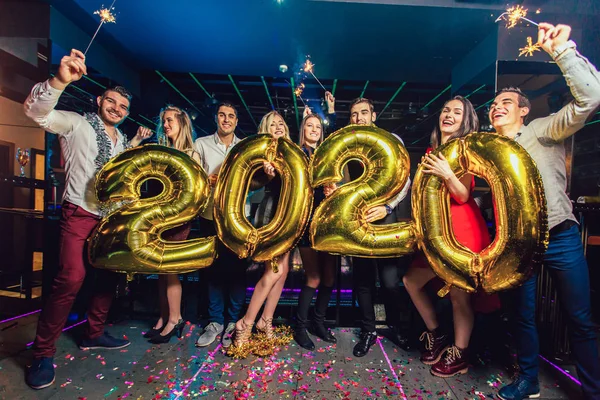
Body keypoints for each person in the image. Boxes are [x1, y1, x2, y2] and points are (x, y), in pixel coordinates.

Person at [23, 49, 152, 389]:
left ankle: (93, 333)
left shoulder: (120, 138)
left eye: (123, 107)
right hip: (79, 213)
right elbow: (38, 114)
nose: (117, 110)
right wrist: (60, 81)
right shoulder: (76, 123)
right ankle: (42, 353)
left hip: (109, 220)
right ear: (99, 100)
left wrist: (135, 144)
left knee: (107, 277)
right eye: (112, 103)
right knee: (70, 279)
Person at [491, 23, 600, 400]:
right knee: (521, 314)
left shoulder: (542, 130)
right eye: (493, 105)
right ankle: (528, 381)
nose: (496, 108)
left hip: (560, 234)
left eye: (506, 103)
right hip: (519, 243)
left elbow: (591, 98)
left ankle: (593, 390)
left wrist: (562, 51)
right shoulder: (491, 152)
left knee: (580, 318)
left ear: (523, 111)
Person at [402, 96, 498, 378]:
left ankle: (460, 352)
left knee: (459, 295)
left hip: (461, 230)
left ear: (465, 121)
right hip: (437, 230)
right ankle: (437, 334)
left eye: (457, 112)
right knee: (411, 280)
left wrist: (446, 173)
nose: (449, 115)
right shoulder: (435, 149)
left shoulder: (463, 150)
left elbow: (462, 194)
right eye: (446, 110)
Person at [327, 98, 411, 357]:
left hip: (385, 218)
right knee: (362, 282)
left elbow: (405, 178)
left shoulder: (391, 138)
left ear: (373, 115)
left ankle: (396, 327)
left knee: (389, 282)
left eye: (364, 113)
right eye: (354, 114)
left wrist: (388, 207)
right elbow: (343, 179)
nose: (359, 118)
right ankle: (368, 330)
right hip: (359, 220)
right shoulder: (349, 145)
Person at [231, 111, 292, 350]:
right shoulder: (264, 152)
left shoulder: (290, 149)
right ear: (265, 128)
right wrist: (266, 172)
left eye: (281, 123)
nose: (278, 126)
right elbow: (255, 180)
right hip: (272, 212)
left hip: (290, 213)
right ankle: (245, 324)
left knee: (283, 271)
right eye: (272, 124)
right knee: (273, 270)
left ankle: (265, 321)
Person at [143, 106, 201, 344]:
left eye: (169, 120)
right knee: (160, 269)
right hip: (159, 218)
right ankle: (163, 315)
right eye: (163, 121)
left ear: (181, 123)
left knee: (170, 268)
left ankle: (175, 319)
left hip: (178, 220)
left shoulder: (191, 153)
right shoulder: (163, 150)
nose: (165, 125)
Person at [194, 103, 246, 349]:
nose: (227, 119)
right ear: (216, 118)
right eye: (223, 115)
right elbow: (192, 178)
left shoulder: (245, 146)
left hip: (239, 220)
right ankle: (215, 322)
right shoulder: (201, 144)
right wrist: (207, 179)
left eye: (231, 116)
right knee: (213, 271)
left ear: (236, 121)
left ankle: (234, 322)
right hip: (210, 217)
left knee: (237, 272)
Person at [293, 113, 338, 350]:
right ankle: (300, 328)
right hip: (306, 221)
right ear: (303, 130)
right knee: (314, 276)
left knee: (330, 278)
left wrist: (334, 190)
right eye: (309, 125)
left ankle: (318, 323)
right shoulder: (298, 153)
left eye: (317, 126)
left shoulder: (325, 154)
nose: (313, 129)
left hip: (327, 223)